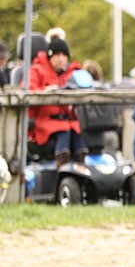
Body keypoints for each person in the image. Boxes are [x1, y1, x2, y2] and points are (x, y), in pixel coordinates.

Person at [27, 36, 85, 168]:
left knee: (78, 129)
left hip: (69, 120)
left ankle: (81, 165)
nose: (61, 58)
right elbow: (30, 90)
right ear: (50, 56)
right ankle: (62, 166)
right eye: (57, 55)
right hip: (44, 122)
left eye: (64, 55)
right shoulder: (37, 70)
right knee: (64, 129)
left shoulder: (73, 73)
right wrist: (46, 91)